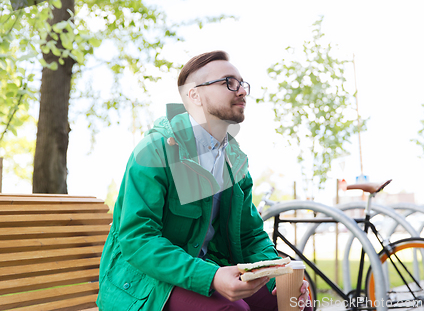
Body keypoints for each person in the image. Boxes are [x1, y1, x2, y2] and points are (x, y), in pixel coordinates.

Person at [97, 51, 311, 311]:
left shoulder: (234, 161)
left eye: (243, 83)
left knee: (293, 303)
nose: (242, 90)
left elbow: (250, 234)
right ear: (194, 95)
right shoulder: (155, 150)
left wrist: (278, 274)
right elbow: (138, 238)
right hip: (146, 284)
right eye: (229, 82)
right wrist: (210, 277)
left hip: (208, 270)